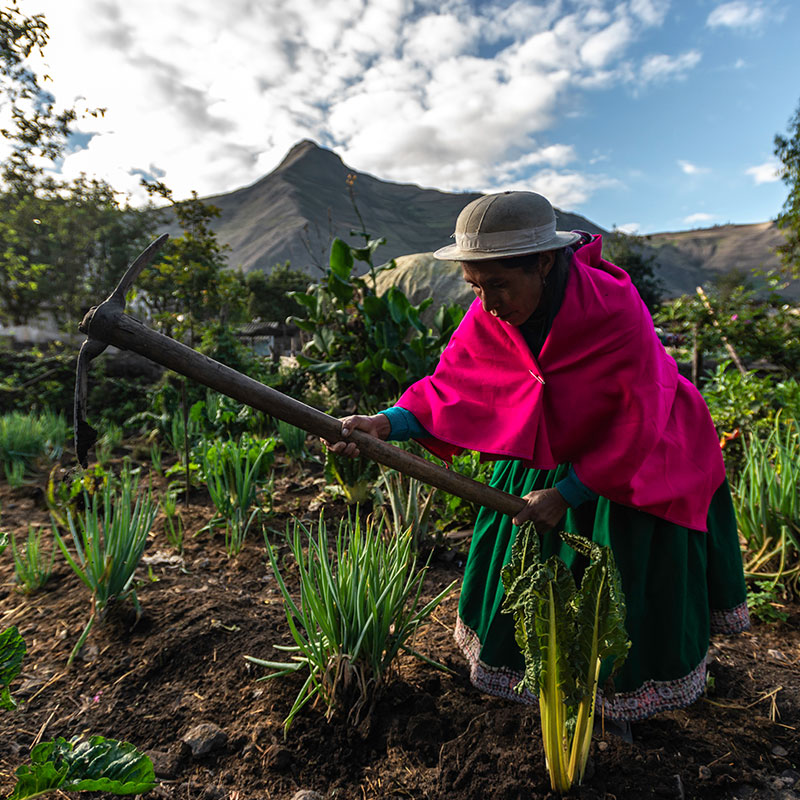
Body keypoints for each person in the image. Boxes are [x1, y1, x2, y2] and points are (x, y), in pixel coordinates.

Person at [327, 191, 749, 732]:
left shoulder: (613, 309)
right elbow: (455, 384)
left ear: (545, 262)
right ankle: (536, 689)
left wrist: (568, 493)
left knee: (618, 579)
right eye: (476, 287)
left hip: (643, 447)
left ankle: (619, 703)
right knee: (524, 572)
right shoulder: (490, 311)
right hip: (549, 441)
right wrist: (384, 424)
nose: (488, 302)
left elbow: (638, 416)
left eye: (499, 284)